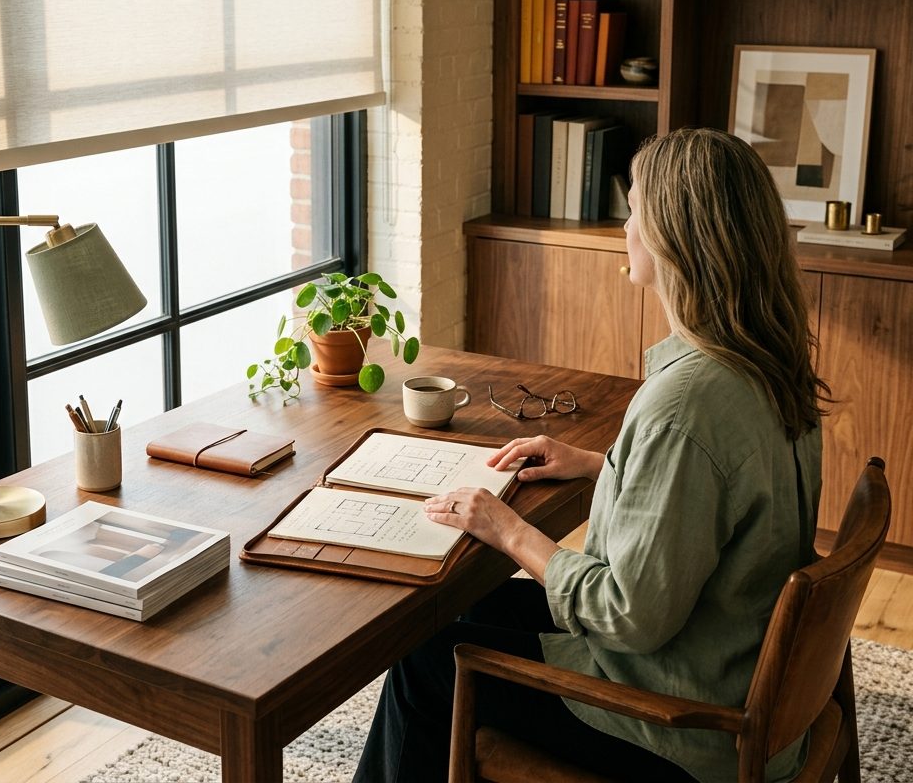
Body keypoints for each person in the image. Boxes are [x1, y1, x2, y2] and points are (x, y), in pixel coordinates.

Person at [353, 128, 827, 783]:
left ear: (672, 238)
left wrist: (506, 529)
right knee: (462, 613)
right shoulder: (767, 363)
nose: (626, 227)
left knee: (426, 658)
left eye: (635, 210)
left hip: (680, 721)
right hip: (725, 662)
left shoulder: (683, 405)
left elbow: (624, 615)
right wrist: (605, 466)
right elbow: (725, 505)